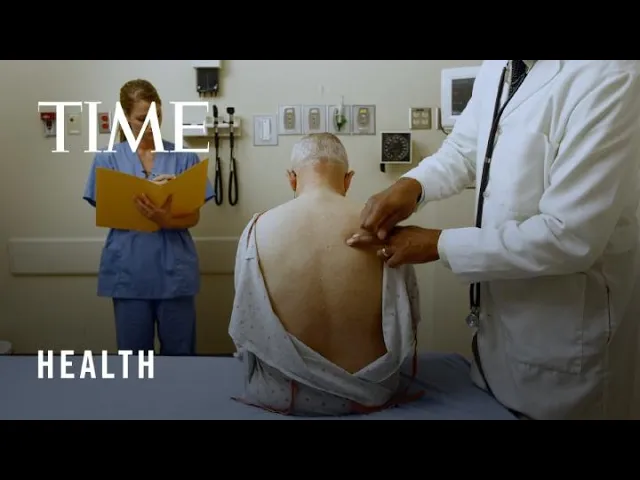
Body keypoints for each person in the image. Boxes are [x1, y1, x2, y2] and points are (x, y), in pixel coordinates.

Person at [347, 60, 640, 420]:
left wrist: (438, 244)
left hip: (566, 350)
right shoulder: (499, 67)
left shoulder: (611, 77)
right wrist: (414, 184)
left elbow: (569, 236)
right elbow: (465, 148)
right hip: (498, 343)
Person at [228, 133, 422, 416]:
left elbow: (245, 323)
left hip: (282, 395)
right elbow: (409, 316)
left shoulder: (257, 230)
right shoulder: (383, 231)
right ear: (348, 179)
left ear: (292, 178)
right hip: (371, 394)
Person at [83, 79, 215, 356]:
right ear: (125, 118)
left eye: (157, 115)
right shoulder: (107, 159)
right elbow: (107, 212)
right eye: (142, 119)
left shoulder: (183, 157)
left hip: (174, 273)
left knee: (181, 358)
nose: (151, 124)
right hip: (128, 273)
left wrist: (166, 220)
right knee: (133, 362)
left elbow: (192, 217)